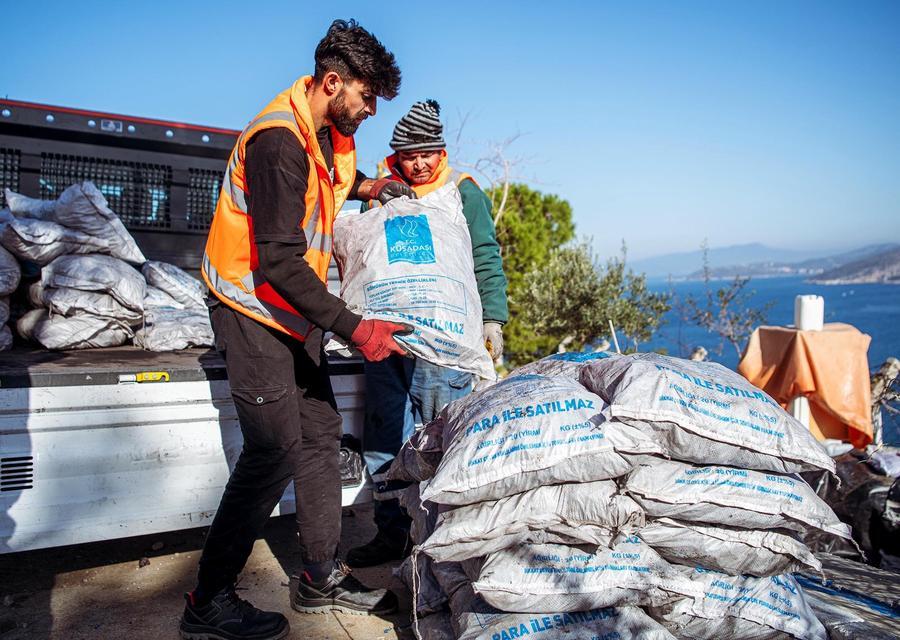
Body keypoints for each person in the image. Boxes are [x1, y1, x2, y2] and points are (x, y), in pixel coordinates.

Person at [180, 20, 417, 640]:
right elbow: (279, 259)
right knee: (274, 449)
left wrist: (376, 187)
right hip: (251, 309)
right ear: (332, 82)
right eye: (366, 98)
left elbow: (331, 191)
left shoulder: (324, 138)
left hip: (292, 312)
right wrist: (356, 328)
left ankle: (317, 576)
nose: (368, 112)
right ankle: (207, 600)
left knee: (319, 435)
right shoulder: (278, 142)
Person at [346, 99, 509, 568]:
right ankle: (392, 534)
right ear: (396, 155)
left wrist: (491, 318)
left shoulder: (463, 192)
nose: (417, 164)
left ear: (442, 152)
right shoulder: (379, 189)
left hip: (444, 344)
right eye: (408, 155)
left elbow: (485, 255)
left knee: (443, 439)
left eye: (426, 154)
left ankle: (446, 541)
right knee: (385, 439)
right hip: (385, 338)